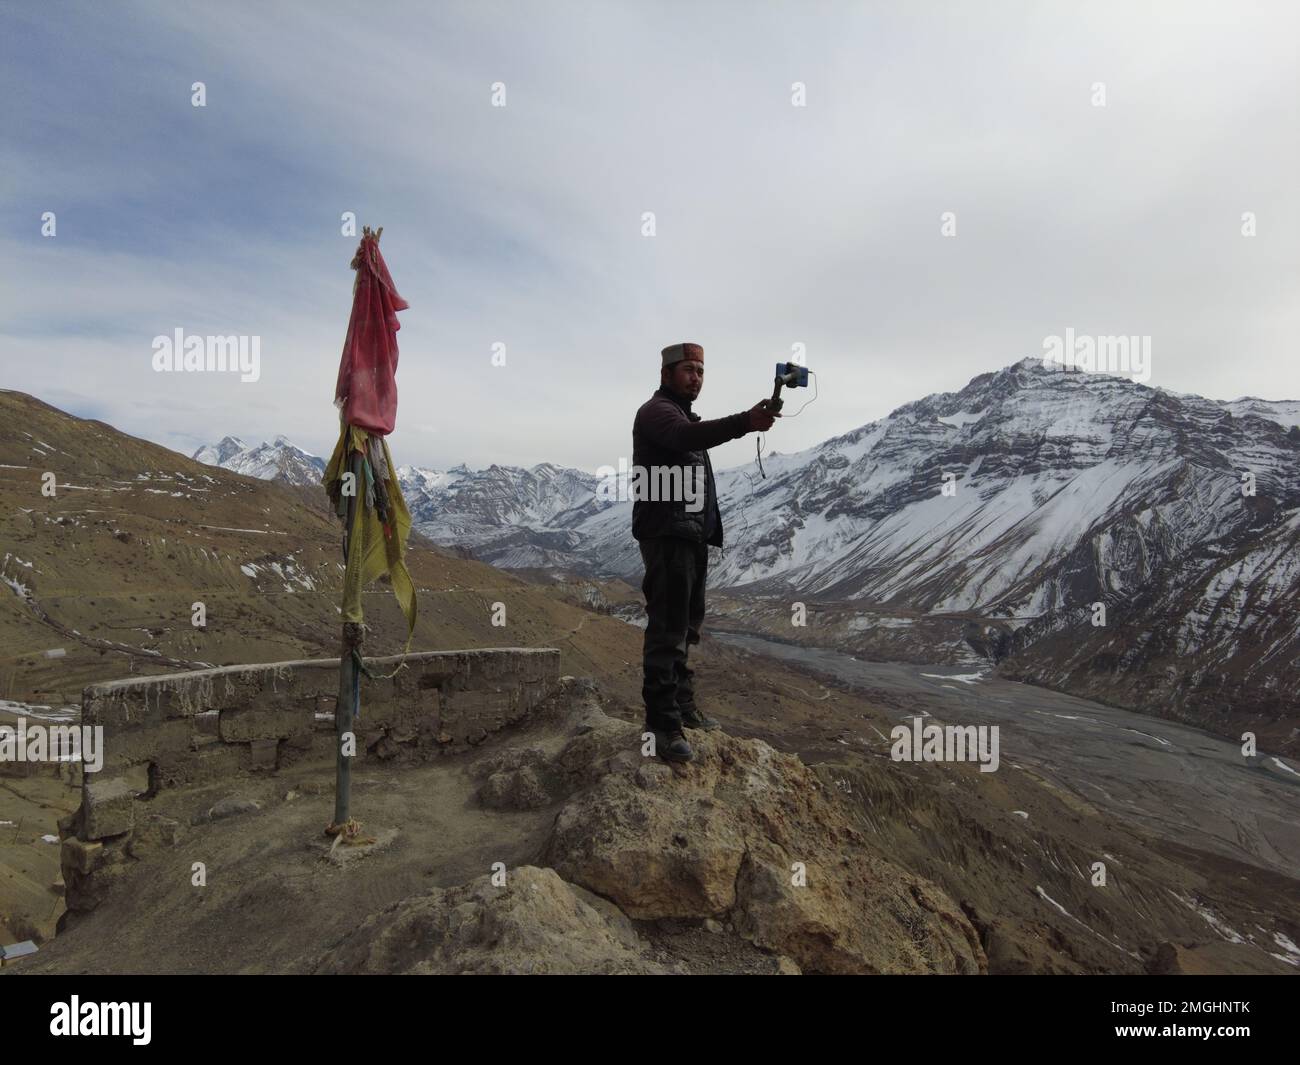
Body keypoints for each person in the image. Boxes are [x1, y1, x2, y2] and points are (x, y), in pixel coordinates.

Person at [632, 342, 778, 763]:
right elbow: (683, 438)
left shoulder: (683, 417)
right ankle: (662, 725)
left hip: (689, 537)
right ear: (666, 374)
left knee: (685, 627)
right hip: (667, 535)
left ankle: (682, 706)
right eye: (688, 370)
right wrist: (744, 423)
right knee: (667, 628)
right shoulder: (658, 413)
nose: (696, 377)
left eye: (700, 371)